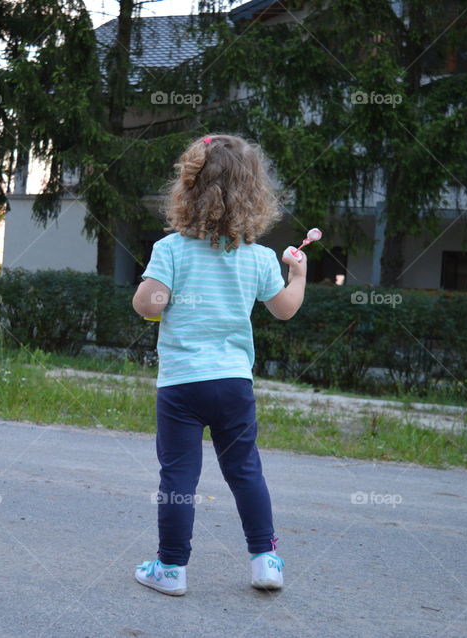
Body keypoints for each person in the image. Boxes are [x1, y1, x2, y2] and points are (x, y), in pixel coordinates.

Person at [131, 134, 307, 596]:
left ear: (186, 190)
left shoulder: (171, 250)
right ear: (254, 196)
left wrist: (157, 294)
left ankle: (171, 569)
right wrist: (299, 274)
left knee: (178, 479)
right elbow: (285, 309)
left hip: (182, 387)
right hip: (233, 384)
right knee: (245, 470)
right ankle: (266, 561)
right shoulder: (259, 256)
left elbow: (147, 304)